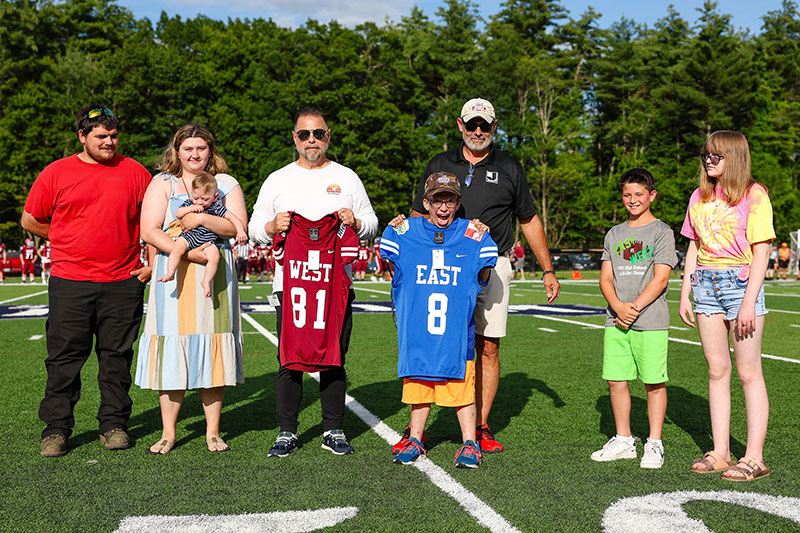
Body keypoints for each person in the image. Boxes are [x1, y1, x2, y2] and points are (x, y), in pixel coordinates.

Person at [403, 97, 561, 454]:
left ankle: (480, 424)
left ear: (493, 127)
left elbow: (528, 219)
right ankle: (419, 427)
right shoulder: (440, 163)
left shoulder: (509, 166)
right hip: (441, 266)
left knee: (488, 346)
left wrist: (547, 268)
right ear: (460, 125)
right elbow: (417, 214)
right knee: (435, 340)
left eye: (484, 125)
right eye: (471, 124)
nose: (478, 131)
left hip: (493, 264)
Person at [21, 104, 152, 457]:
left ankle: (113, 425)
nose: (109, 142)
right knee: (64, 359)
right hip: (71, 280)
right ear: (82, 136)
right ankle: (56, 430)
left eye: (113, 135)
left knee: (117, 359)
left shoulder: (136, 172)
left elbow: (153, 223)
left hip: (123, 280)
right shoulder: (57, 172)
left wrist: (151, 264)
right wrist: (64, 238)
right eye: (101, 136)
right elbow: (30, 219)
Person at [250, 107, 378, 458]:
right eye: (304, 134)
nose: (311, 141)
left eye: (318, 134)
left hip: (336, 285)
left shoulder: (347, 177)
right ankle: (287, 430)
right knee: (289, 358)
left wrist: (357, 222)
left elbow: (371, 221)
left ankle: (333, 428)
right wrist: (271, 228)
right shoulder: (277, 179)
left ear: (328, 136)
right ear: (294, 137)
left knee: (334, 357)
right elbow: (254, 227)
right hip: (290, 286)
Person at [135, 124, 246, 454]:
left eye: (201, 148)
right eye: (188, 149)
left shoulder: (225, 184)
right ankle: (168, 432)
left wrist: (200, 221)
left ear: (210, 150)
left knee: (212, 351)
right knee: (172, 349)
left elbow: (236, 225)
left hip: (214, 277)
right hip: (175, 274)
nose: (194, 154)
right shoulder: (162, 183)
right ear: (177, 151)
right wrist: (182, 249)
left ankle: (213, 431)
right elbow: (149, 230)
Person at [383, 172, 497, 469]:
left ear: (458, 203)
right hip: (420, 335)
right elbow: (390, 258)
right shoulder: (402, 233)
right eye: (437, 201)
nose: (443, 208)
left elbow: (484, 274)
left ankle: (469, 442)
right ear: (426, 202)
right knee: (419, 384)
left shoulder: (475, 237)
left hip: (456, 335)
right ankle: (416, 438)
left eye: (449, 201)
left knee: (461, 385)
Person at [679, 130, 774, 481]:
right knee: (717, 370)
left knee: (749, 373)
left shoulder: (754, 195)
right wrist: (685, 290)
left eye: (716, 155)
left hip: (740, 286)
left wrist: (749, 302)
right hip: (705, 284)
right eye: (705, 154)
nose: (708, 160)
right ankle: (720, 452)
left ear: (734, 157)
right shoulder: (699, 196)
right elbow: (693, 245)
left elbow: (762, 250)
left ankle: (754, 457)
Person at [592, 168, 677, 469]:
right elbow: (605, 278)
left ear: (651, 195)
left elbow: (661, 278)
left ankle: (654, 443)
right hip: (615, 319)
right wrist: (617, 306)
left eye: (639, 194)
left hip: (650, 319)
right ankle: (624, 440)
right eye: (627, 194)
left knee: (654, 382)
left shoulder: (661, 232)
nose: (633, 200)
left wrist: (634, 308)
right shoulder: (614, 233)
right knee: (616, 380)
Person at [157, 172, 248, 298]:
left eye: (205, 199)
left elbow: (234, 218)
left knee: (214, 255)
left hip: (207, 240)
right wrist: (190, 209)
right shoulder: (190, 203)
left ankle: (206, 280)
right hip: (188, 237)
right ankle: (170, 272)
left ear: (215, 197)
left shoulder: (217, 207)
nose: (200, 202)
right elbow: (178, 213)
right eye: (196, 198)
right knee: (177, 248)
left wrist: (240, 231)